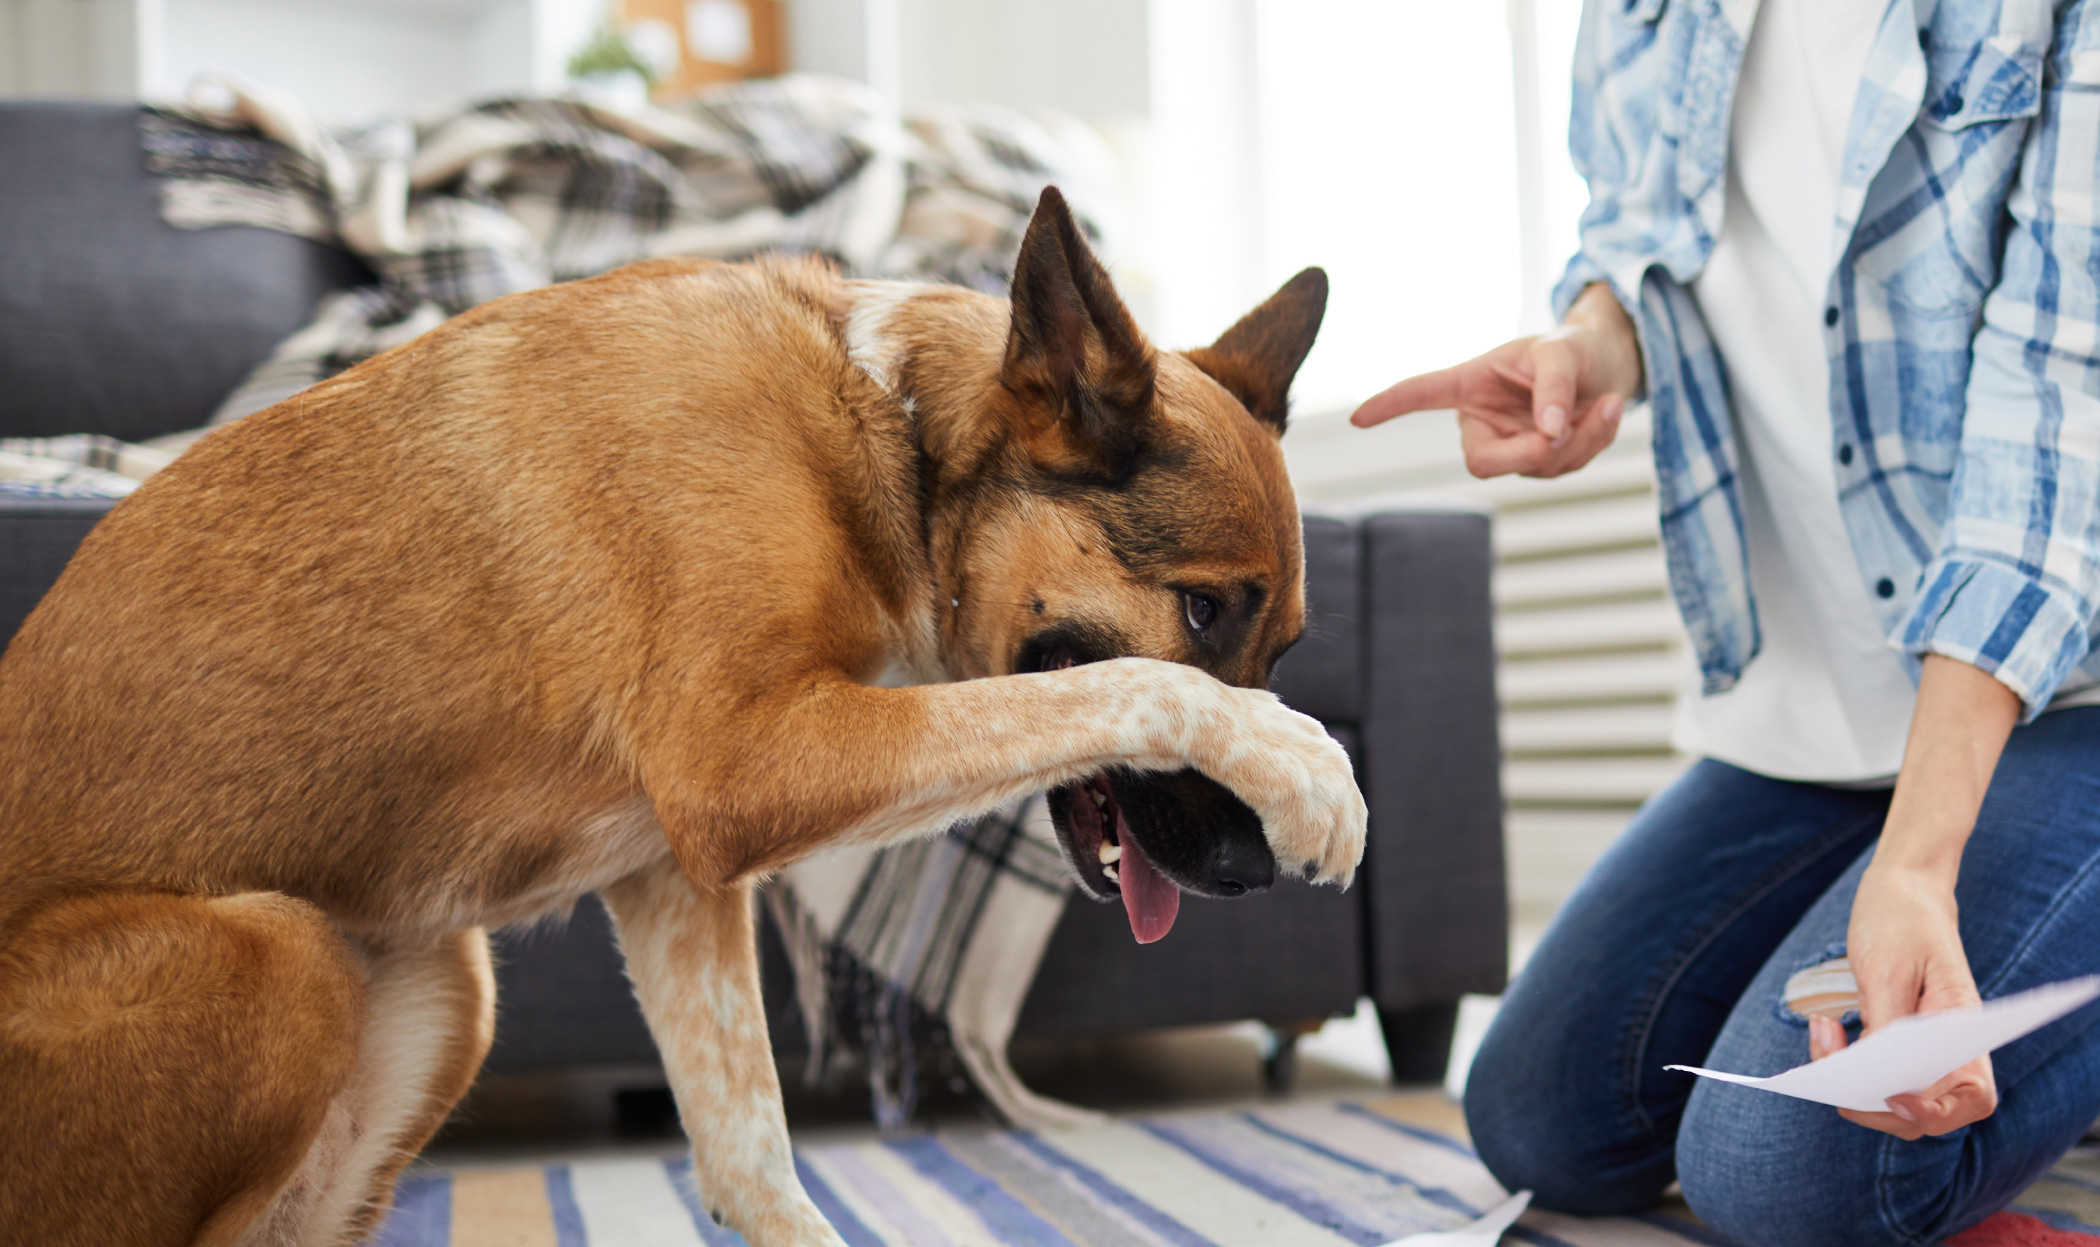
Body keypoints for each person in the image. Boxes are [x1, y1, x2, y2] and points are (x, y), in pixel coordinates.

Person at [1353, 1, 2100, 1243]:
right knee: (1543, 1118)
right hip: (1825, 712)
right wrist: (1592, 345)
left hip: (2066, 690)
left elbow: (2060, 420)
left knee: (1784, 1167)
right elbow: (1640, 228)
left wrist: (1917, 863)